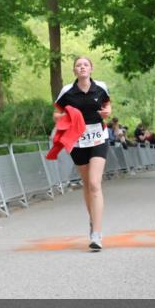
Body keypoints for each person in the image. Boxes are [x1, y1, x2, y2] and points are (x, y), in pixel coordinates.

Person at [54, 56, 112, 251]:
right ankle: (93, 220)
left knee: (95, 183)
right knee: (87, 184)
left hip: (98, 137)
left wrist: (107, 113)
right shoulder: (67, 92)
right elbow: (56, 113)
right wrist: (65, 117)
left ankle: (97, 233)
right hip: (77, 140)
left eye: (85, 64)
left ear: (91, 68)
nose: (82, 67)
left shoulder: (101, 87)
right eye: (78, 65)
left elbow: (108, 105)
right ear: (74, 71)